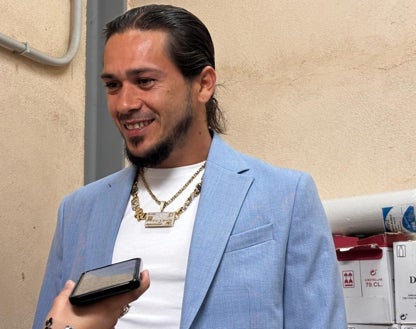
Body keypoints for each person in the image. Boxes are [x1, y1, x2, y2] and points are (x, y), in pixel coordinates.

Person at [33, 4, 346, 329]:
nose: (125, 104)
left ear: (203, 84)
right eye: (113, 85)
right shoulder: (78, 212)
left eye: (144, 81)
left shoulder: (287, 197)